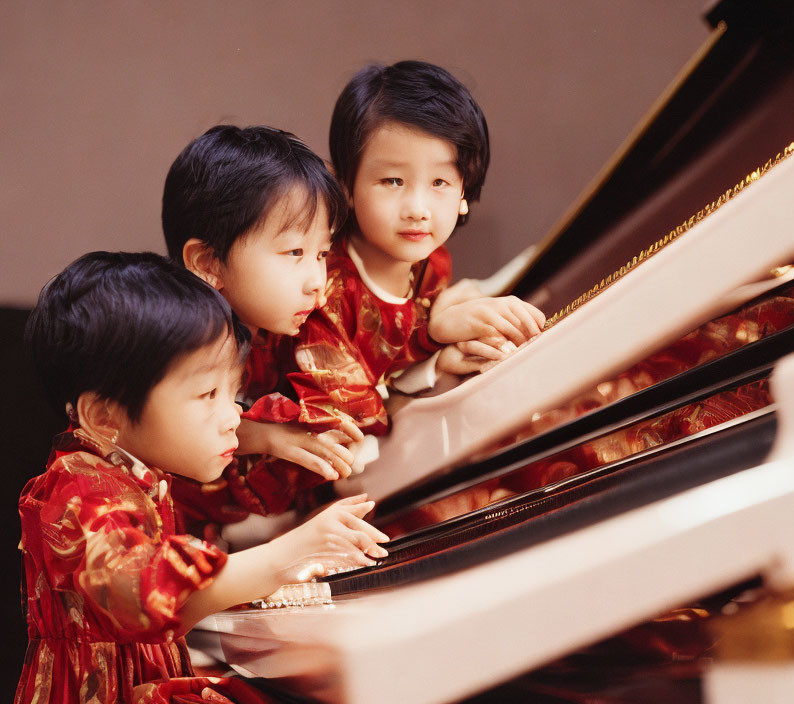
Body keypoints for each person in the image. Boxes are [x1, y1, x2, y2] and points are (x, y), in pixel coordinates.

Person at [16, 252, 388, 704]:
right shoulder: (76, 491)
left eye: (234, 393)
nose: (232, 416)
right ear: (103, 414)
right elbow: (143, 591)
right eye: (207, 393)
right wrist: (287, 553)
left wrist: (270, 440)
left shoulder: (132, 472)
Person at [260, 60, 546, 449]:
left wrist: (436, 351)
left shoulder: (433, 262)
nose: (417, 207)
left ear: (464, 192)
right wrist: (432, 338)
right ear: (345, 185)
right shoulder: (320, 290)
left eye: (440, 182)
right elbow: (352, 418)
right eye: (393, 180)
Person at [163, 125, 365, 537]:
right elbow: (171, 430)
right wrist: (266, 436)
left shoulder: (291, 329)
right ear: (208, 263)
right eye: (294, 252)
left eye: (322, 253)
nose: (316, 279)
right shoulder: (173, 343)